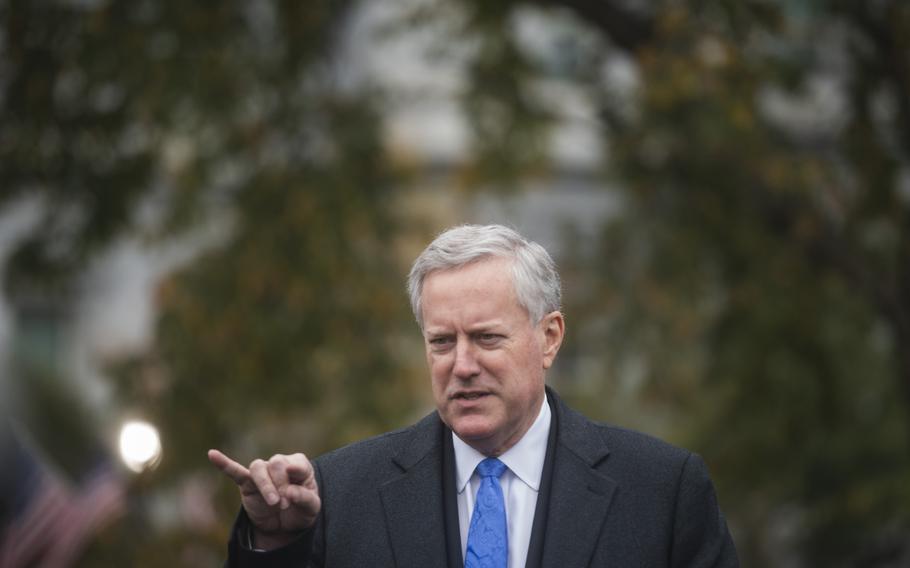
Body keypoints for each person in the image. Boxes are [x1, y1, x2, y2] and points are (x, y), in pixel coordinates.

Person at [209, 224, 739, 567]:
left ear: (549, 337)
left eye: (486, 338)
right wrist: (276, 545)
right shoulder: (341, 493)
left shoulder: (660, 492)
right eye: (442, 342)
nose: (462, 366)